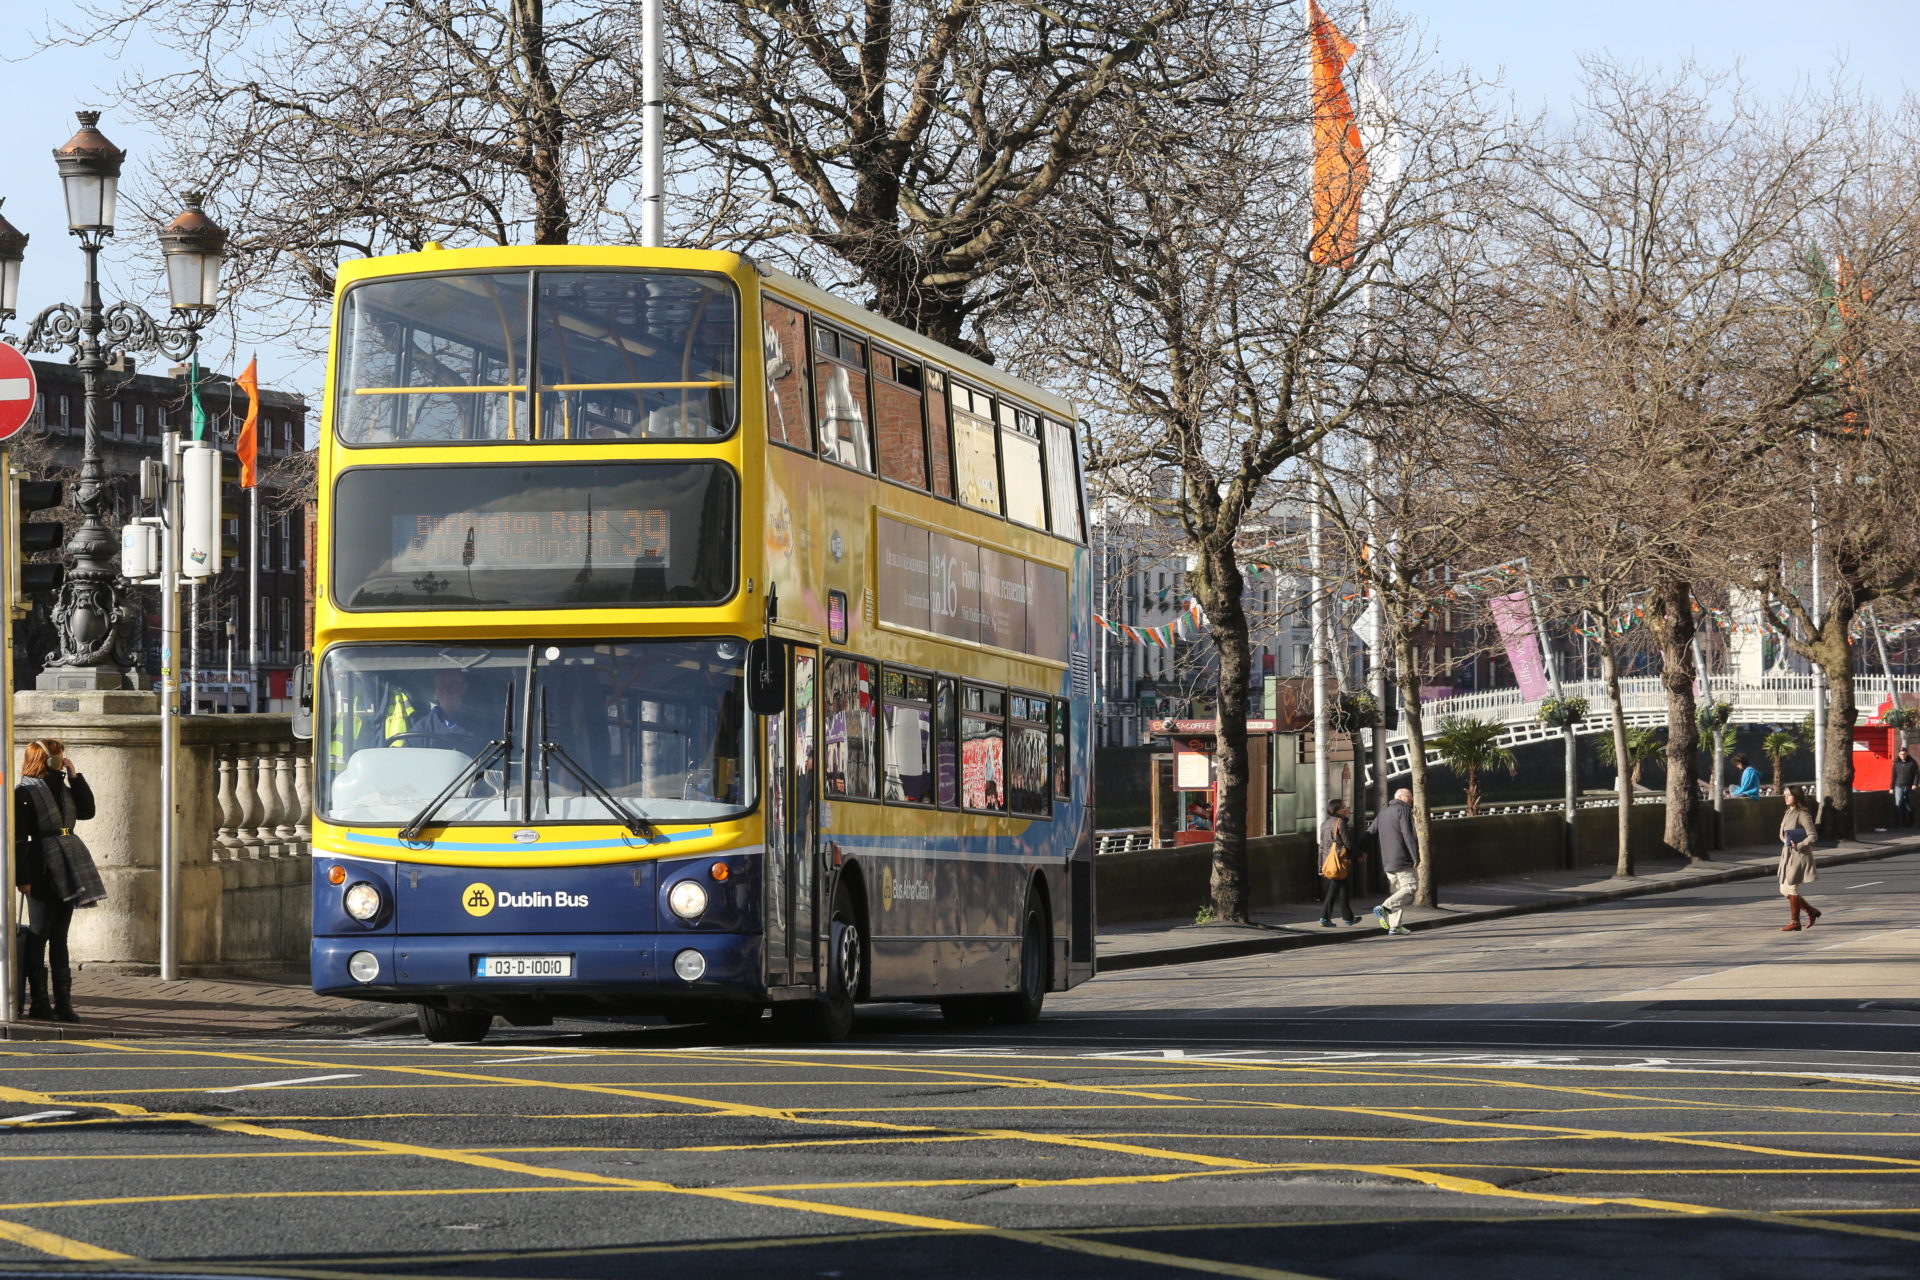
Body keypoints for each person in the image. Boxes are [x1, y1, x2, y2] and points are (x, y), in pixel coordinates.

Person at [13, 738, 104, 1022]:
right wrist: (23, 879)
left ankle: (63, 1004)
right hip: (40, 868)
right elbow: (18, 839)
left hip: (67, 865)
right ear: (45, 758)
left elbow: (87, 811)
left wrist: (76, 777)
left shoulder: (65, 788)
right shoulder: (23, 792)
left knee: (60, 939)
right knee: (38, 936)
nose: (61, 759)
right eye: (58, 755)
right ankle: (39, 1003)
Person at [1367, 786, 1420, 936]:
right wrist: (1415, 856)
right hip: (1402, 858)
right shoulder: (1403, 810)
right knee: (1410, 888)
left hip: (1387, 861)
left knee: (1398, 892)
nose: (1412, 800)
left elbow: (1370, 832)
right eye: (1410, 797)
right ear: (1402, 797)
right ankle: (1384, 907)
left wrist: (1360, 850)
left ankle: (1395, 926)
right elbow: (1408, 835)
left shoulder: (1383, 813)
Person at [1776, 785, 1821, 932]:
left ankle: (1795, 922)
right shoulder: (1787, 813)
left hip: (1799, 856)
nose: (1786, 797)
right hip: (1787, 854)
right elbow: (1783, 834)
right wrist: (1785, 841)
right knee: (1784, 889)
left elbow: (1813, 836)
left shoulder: (1803, 814)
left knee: (1792, 886)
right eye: (1785, 795)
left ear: (1796, 796)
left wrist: (1799, 845)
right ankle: (1811, 911)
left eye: (1789, 795)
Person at [1317, 799, 1359, 928]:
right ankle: (1327, 917)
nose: (1348, 809)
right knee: (1337, 887)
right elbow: (1348, 844)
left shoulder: (1324, 824)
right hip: (1339, 862)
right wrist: (1359, 855)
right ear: (1338, 810)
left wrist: (1320, 865)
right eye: (1345, 807)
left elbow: (1321, 847)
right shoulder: (1340, 823)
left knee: (1341, 887)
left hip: (1328, 862)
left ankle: (1347, 917)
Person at [1894, 748, 1918, 826]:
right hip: (1898, 786)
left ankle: (1909, 823)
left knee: (1909, 805)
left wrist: (1915, 784)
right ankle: (1898, 823)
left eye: (1904, 754)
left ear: (1907, 753)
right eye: (1901, 754)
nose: (1903, 756)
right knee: (1898, 804)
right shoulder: (1896, 763)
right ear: (1899, 754)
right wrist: (1891, 787)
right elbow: (1893, 775)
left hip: (1909, 786)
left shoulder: (1912, 762)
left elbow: (1916, 775)